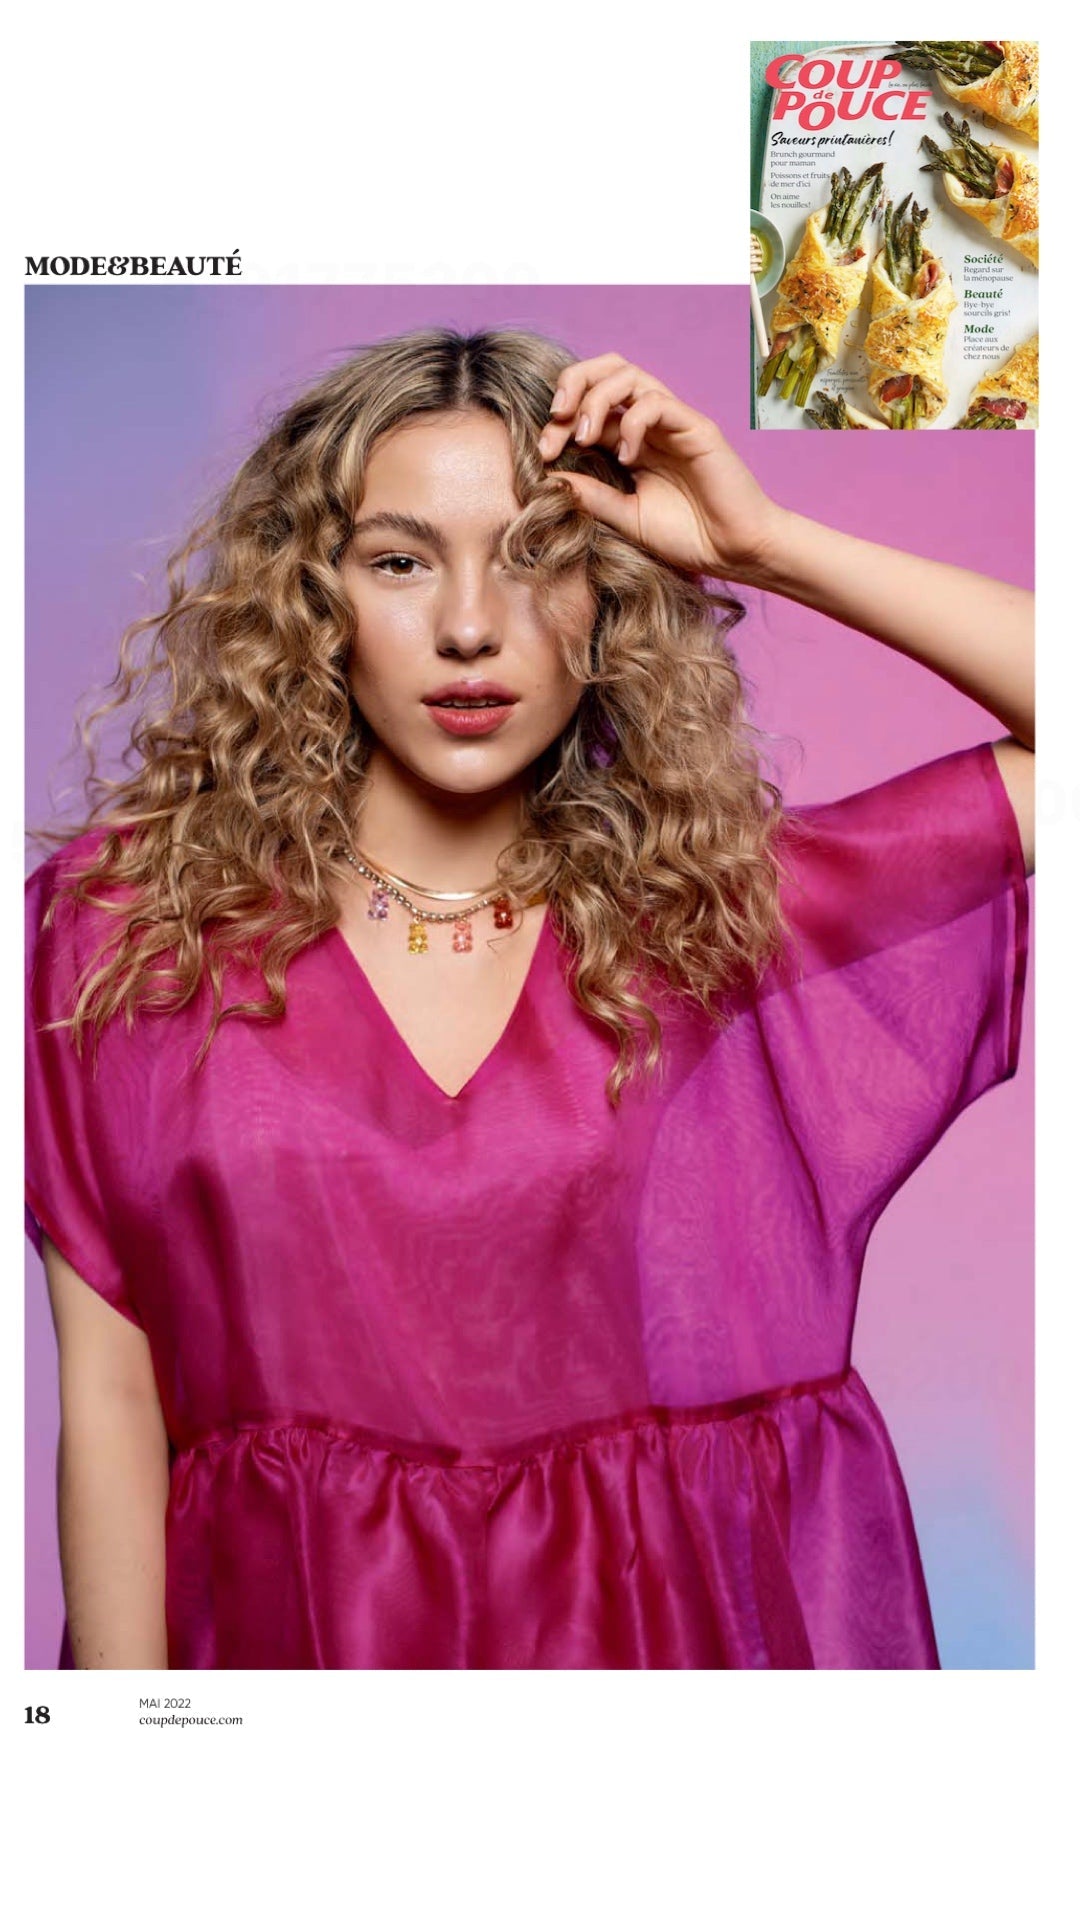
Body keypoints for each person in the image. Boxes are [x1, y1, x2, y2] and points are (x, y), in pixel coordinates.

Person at [25, 328, 1033, 1670]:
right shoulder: (131, 930)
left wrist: (763, 541)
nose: (468, 625)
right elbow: (108, 1403)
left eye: (536, 554)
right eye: (399, 559)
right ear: (310, 596)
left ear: (609, 590)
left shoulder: (716, 920)